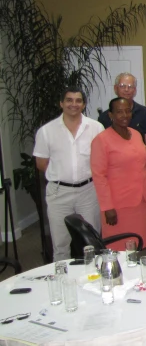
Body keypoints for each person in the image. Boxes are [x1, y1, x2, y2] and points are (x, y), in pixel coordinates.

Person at [33, 87, 104, 261]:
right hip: (59, 193)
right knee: (60, 244)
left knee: (91, 242)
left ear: (84, 104)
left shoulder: (96, 127)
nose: (74, 104)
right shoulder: (47, 131)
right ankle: (62, 282)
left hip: (88, 191)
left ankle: (92, 279)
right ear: (61, 103)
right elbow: (41, 163)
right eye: (69, 100)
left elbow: (102, 159)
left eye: (78, 100)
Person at [91, 97, 146, 251]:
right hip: (118, 206)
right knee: (119, 248)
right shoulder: (102, 140)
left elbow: (144, 166)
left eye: (127, 111)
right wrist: (107, 207)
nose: (125, 115)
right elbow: (99, 176)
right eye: (119, 112)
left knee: (141, 244)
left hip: (142, 203)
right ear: (110, 115)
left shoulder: (136, 134)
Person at [98, 72, 146, 148]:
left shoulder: (145, 113)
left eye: (130, 86)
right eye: (122, 86)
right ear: (115, 88)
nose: (126, 89)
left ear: (134, 90)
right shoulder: (105, 116)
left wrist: (143, 159)